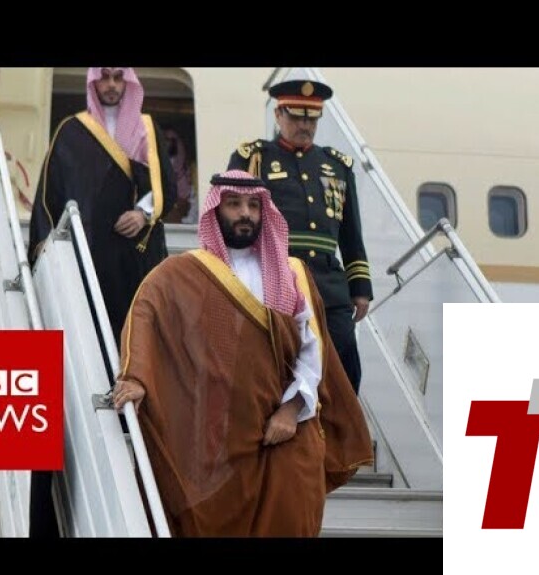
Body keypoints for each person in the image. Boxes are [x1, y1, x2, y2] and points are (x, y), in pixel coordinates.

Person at [112, 170, 373, 537]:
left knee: (294, 512)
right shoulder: (184, 272)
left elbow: (313, 349)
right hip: (219, 432)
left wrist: (291, 410)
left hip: (286, 426)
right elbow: (145, 314)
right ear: (216, 209)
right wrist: (137, 377)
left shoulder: (293, 273)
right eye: (234, 204)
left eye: (253, 205)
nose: (245, 213)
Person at [26, 67, 176, 538]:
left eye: (118, 78)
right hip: (87, 262)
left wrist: (143, 213)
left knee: (138, 333)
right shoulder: (71, 131)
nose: (111, 86)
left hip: (135, 257)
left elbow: (166, 187)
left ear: (128, 83)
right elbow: (48, 198)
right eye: (104, 78)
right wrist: (44, 256)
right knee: (87, 337)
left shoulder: (146, 128)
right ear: (93, 84)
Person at [227, 79, 372, 394]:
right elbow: (231, 218)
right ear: (279, 115)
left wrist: (360, 288)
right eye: (295, 116)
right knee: (281, 363)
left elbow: (351, 233)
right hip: (276, 276)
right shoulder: (254, 158)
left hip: (328, 284)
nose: (304, 125)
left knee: (343, 356)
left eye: (312, 118)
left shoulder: (337, 165)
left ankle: (341, 422)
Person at [162, 128, 198, 224]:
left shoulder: (186, 166)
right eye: (164, 140)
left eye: (169, 140)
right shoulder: (160, 161)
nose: (167, 143)